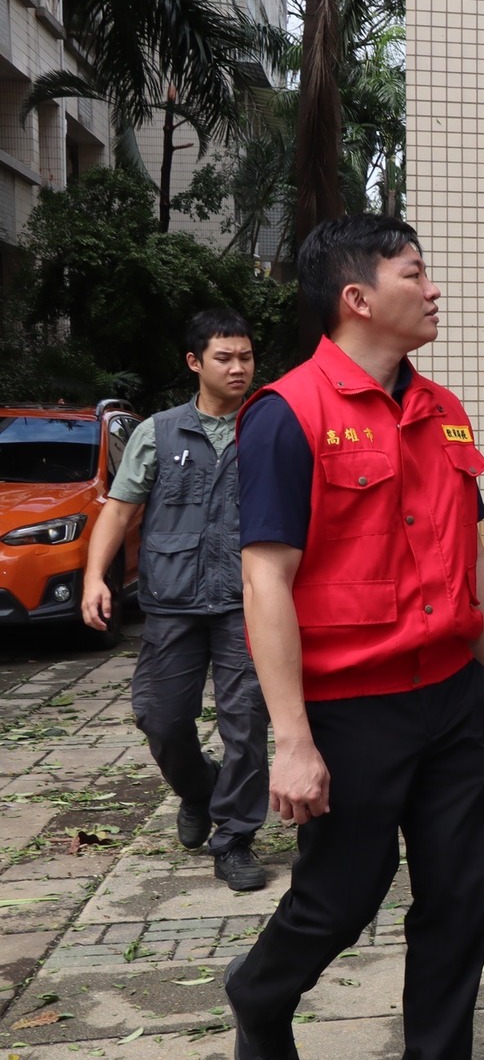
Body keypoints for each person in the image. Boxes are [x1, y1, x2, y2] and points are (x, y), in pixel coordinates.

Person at [223, 214, 484, 1060]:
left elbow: (469, 552)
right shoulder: (287, 412)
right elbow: (267, 580)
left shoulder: (446, 411)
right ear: (357, 298)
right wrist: (292, 741)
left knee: (456, 907)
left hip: (450, 700)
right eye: (414, 274)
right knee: (338, 899)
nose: (432, 291)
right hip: (349, 710)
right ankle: (262, 994)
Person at [81, 310, 270, 891]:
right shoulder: (158, 431)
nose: (238, 368)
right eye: (224, 358)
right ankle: (198, 790)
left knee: (246, 723)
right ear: (195, 363)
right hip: (174, 599)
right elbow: (119, 508)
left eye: (245, 357)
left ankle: (234, 836)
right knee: (159, 717)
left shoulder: (268, 426)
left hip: (248, 600)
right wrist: (95, 577)